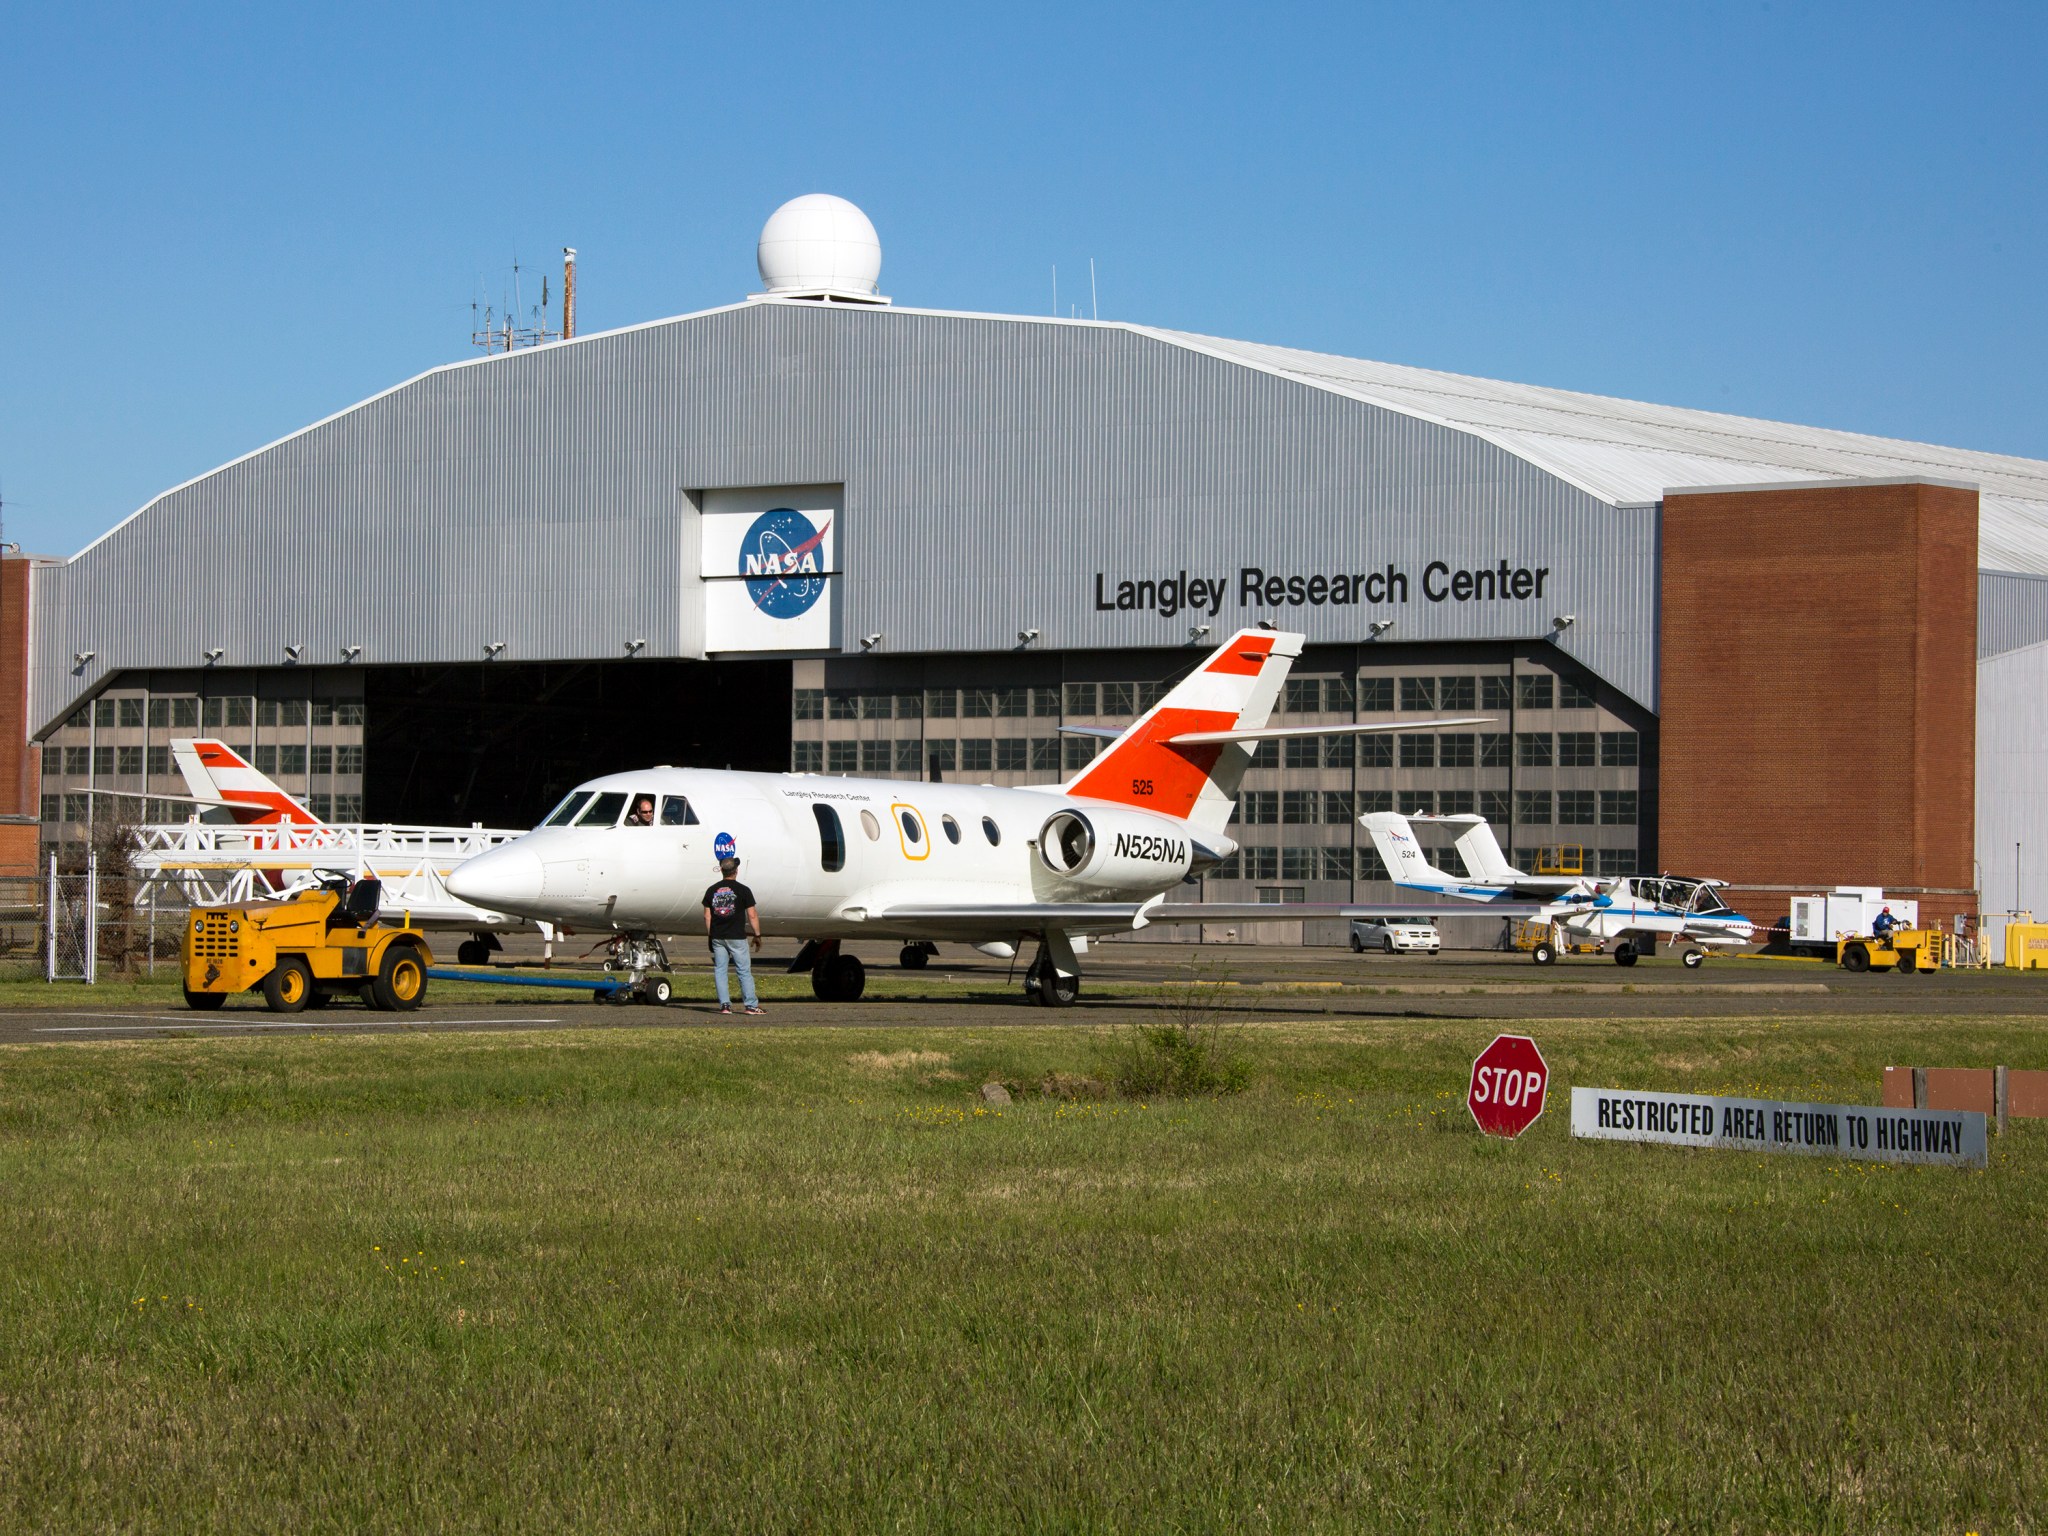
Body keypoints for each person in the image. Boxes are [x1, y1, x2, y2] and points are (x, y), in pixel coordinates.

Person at [703, 856, 763, 1014]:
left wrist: (711, 935)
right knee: (743, 971)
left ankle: (724, 1005)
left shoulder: (711, 890)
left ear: (722, 870)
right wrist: (757, 934)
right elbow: (752, 915)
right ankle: (750, 1005)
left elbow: (707, 916)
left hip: (718, 936)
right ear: (736, 871)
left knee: (720, 970)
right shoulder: (744, 890)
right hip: (736, 936)